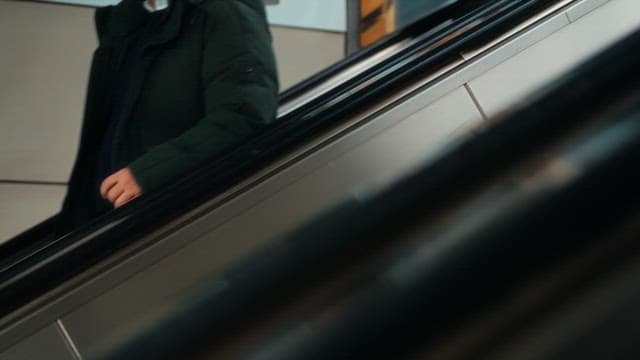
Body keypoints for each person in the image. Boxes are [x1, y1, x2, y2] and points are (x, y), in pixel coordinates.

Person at [55, 0, 279, 235]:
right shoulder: (131, 22)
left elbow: (243, 118)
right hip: (99, 220)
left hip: (163, 225)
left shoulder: (226, 14)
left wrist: (149, 174)